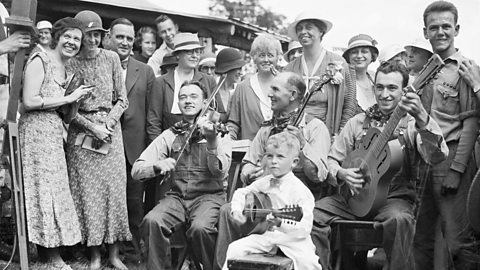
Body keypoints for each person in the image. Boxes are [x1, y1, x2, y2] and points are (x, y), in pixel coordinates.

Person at [314, 62, 448, 270]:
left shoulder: (413, 125)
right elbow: (332, 160)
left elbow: (437, 156)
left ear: (405, 91)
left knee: (400, 220)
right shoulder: (357, 122)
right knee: (311, 216)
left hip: (393, 199)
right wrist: (341, 172)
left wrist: (422, 117)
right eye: (380, 87)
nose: (384, 94)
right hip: (353, 198)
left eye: (392, 88)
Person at [214, 71, 330, 270]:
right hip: (266, 197)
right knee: (227, 210)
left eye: (275, 89)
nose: (270, 94)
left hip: (304, 200)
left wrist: (302, 146)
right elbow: (247, 166)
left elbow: (318, 176)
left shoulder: (315, 127)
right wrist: (253, 172)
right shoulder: (267, 129)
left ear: (292, 95)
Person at [132, 81, 232, 270]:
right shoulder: (170, 134)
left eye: (194, 97)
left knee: (200, 228)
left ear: (204, 103)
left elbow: (220, 171)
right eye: (183, 97)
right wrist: (156, 165)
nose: (187, 101)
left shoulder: (219, 132)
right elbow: (137, 170)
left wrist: (211, 142)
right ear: (178, 103)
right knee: (152, 221)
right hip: (177, 198)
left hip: (209, 198)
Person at [19, 17, 91, 270]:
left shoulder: (68, 72)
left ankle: (53, 252)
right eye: (68, 37)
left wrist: (74, 103)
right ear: (57, 37)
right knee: (43, 190)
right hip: (36, 131)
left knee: (56, 191)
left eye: (77, 40)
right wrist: (66, 97)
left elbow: (67, 116)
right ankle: (50, 256)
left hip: (54, 132)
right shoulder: (41, 59)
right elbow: (29, 100)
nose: (72, 43)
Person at [415, 1, 480, 269]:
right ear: (425, 32)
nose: (440, 32)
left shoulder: (466, 68)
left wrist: (457, 169)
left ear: (457, 29)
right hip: (423, 160)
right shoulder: (424, 71)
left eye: (446, 26)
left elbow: (471, 124)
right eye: (434, 27)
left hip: (451, 158)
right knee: (421, 237)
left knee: (458, 240)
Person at [66, 10, 131, 270]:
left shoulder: (112, 58)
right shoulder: (70, 62)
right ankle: (94, 255)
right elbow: (67, 110)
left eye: (96, 34)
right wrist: (92, 127)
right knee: (87, 195)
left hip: (110, 133)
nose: (92, 40)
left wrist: (108, 124)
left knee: (114, 194)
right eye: (87, 35)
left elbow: (123, 99)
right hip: (82, 133)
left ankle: (114, 255)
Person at [223, 132, 322, 270]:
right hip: (266, 236)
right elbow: (241, 192)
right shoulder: (265, 182)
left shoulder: (300, 191)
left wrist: (281, 223)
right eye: (270, 156)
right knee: (234, 249)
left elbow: (305, 228)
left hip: (293, 241)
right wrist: (237, 210)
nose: (273, 161)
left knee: (309, 263)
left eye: (280, 156)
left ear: (294, 162)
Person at [108, 17, 157, 264]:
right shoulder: (100, 63)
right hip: (104, 146)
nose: (125, 42)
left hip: (134, 149)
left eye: (129, 37)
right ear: (109, 37)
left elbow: (150, 113)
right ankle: (101, 251)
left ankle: (131, 254)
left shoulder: (145, 70)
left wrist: (149, 152)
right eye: (120, 37)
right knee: (106, 202)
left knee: (134, 204)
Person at [285, 11, 356, 136]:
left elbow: (349, 103)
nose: (303, 32)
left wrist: (340, 135)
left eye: (309, 27)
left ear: (321, 32)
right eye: (300, 28)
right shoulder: (289, 69)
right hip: (293, 135)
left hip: (327, 134)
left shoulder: (338, 63)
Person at [147, 32, 219, 141]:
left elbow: (219, 114)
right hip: (169, 146)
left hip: (202, 146)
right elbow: (154, 122)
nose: (195, 56)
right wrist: (159, 151)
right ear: (177, 55)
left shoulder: (209, 81)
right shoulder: (161, 83)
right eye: (190, 52)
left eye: (198, 51)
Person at [227, 34, 281, 140]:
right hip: (250, 152)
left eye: (270, 55)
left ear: (277, 57)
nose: (266, 60)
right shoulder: (243, 87)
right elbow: (233, 123)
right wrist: (229, 142)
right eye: (261, 55)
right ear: (254, 58)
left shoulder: (286, 85)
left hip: (280, 152)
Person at [342, 34, 379, 114]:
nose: (359, 56)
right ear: (348, 57)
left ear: (372, 56)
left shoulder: (376, 79)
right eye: (354, 52)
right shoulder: (343, 82)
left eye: (364, 51)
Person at [214, 47, 246, 121]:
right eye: (238, 69)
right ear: (227, 69)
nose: (241, 73)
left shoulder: (240, 92)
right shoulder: (212, 92)